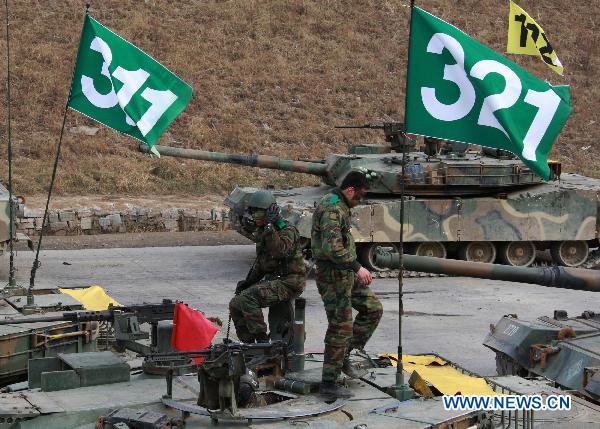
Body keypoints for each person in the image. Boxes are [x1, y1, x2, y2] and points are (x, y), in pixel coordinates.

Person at [311, 171, 383, 399]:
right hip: (334, 275)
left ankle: (342, 357)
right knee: (340, 327)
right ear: (350, 190)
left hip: (345, 274)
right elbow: (333, 249)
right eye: (359, 196)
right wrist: (357, 267)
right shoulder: (332, 208)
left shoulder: (341, 205)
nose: (359, 201)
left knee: (373, 309)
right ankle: (329, 383)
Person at [229, 190, 306, 343]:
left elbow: (279, 252)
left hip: (290, 281)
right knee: (236, 303)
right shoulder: (263, 230)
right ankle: (249, 344)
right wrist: (248, 281)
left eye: (259, 213)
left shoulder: (287, 230)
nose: (255, 217)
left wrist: (271, 226)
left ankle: (263, 343)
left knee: (248, 299)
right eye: (253, 212)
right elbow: (262, 262)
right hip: (275, 279)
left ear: (270, 212)